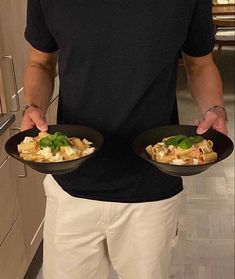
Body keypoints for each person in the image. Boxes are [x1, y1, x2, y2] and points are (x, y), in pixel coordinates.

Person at [21, 1, 228, 278]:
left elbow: (200, 64)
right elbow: (40, 63)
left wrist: (214, 109)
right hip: (71, 185)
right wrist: (33, 106)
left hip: (150, 189)